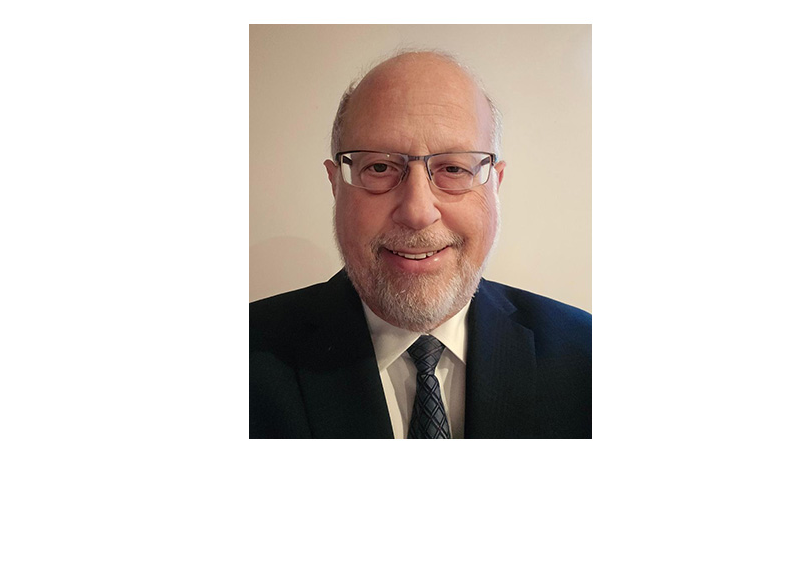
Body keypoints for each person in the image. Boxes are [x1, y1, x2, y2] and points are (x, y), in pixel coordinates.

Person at [250, 50, 591, 438]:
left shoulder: (587, 357)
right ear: (336, 184)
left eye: (453, 168)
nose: (417, 211)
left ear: (495, 186)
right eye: (379, 167)